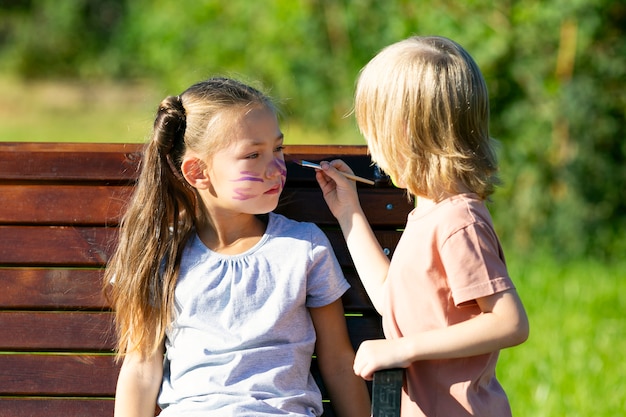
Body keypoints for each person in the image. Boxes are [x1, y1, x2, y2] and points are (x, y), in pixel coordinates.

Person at [104, 77, 370, 417]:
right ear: (198, 172)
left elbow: (337, 360)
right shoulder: (161, 254)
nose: (276, 169)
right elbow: (141, 369)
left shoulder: (304, 247)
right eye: (253, 155)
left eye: (278, 149)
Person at [314, 36, 530, 416]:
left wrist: (403, 348)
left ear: (405, 132)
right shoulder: (426, 214)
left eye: (373, 131)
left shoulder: (458, 221)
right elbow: (389, 298)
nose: (370, 146)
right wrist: (349, 212)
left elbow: (509, 321)